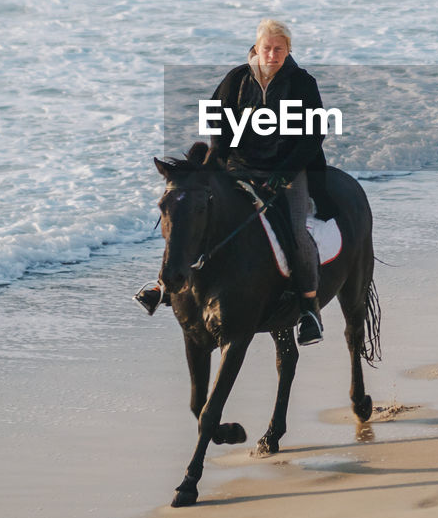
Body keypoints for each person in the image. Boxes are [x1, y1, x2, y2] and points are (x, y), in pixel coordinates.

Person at [138, 19, 332, 346]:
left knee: (297, 231)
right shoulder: (237, 79)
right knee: (193, 213)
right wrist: (219, 161)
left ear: (288, 50)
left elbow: (314, 135)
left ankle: (308, 309)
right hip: (240, 166)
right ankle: (165, 285)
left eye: (279, 49)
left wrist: (284, 172)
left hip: (288, 170)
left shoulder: (302, 83)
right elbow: (219, 119)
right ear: (257, 48)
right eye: (266, 48)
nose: (272, 54)